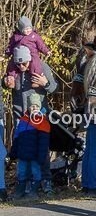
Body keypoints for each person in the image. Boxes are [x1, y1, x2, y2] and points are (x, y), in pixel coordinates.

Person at [4, 46, 57, 195]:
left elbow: (54, 88)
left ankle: (46, 182)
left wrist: (45, 83)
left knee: (41, 150)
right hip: (21, 115)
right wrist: (6, 82)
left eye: (24, 63)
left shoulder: (41, 66)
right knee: (23, 151)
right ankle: (24, 184)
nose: (21, 66)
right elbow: (4, 82)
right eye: (18, 63)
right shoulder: (13, 68)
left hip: (39, 117)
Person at [11, 92, 51, 200]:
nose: (34, 108)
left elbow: (43, 142)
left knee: (36, 172)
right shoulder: (23, 120)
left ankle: (33, 191)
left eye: (36, 106)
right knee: (22, 172)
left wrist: (42, 155)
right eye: (31, 106)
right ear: (28, 107)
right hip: (23, 153)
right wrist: (13, 151)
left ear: (40, 106)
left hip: (35, 155)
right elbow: (17, 137)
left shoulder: (42, 122)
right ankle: (20, 189)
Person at [6, 15, 51, 81]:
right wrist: (8, 53)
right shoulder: (16, 36)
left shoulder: (34, 36)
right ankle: (11, 77)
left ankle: (36, 77)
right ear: (21, 29)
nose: (28, 30)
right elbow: (11, 45)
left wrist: (46, 51)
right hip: (17, 54)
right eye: (26, 29)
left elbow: (41, 45)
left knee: (35, 62)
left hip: (32, 53)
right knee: (12, 63)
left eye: (29, 28)